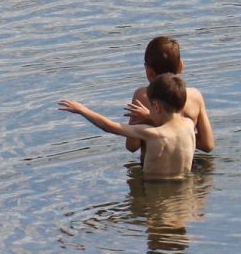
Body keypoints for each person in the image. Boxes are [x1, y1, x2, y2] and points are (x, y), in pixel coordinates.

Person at [60, 74, 196, 181]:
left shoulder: (152, 134)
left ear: (156, 107)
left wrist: (82, 109)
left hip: (155, 191)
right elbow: (170, 126)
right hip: (183, 191)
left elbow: (109, 126)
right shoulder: (189, 125)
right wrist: (149, 115)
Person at [124, 36, 215, 156]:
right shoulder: (195, 96)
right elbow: (207, 145)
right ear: (181, 66)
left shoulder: (143, 96)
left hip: (154, 170)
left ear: (149, 71)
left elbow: (132, 146)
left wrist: (148, 119)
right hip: (189, 166)